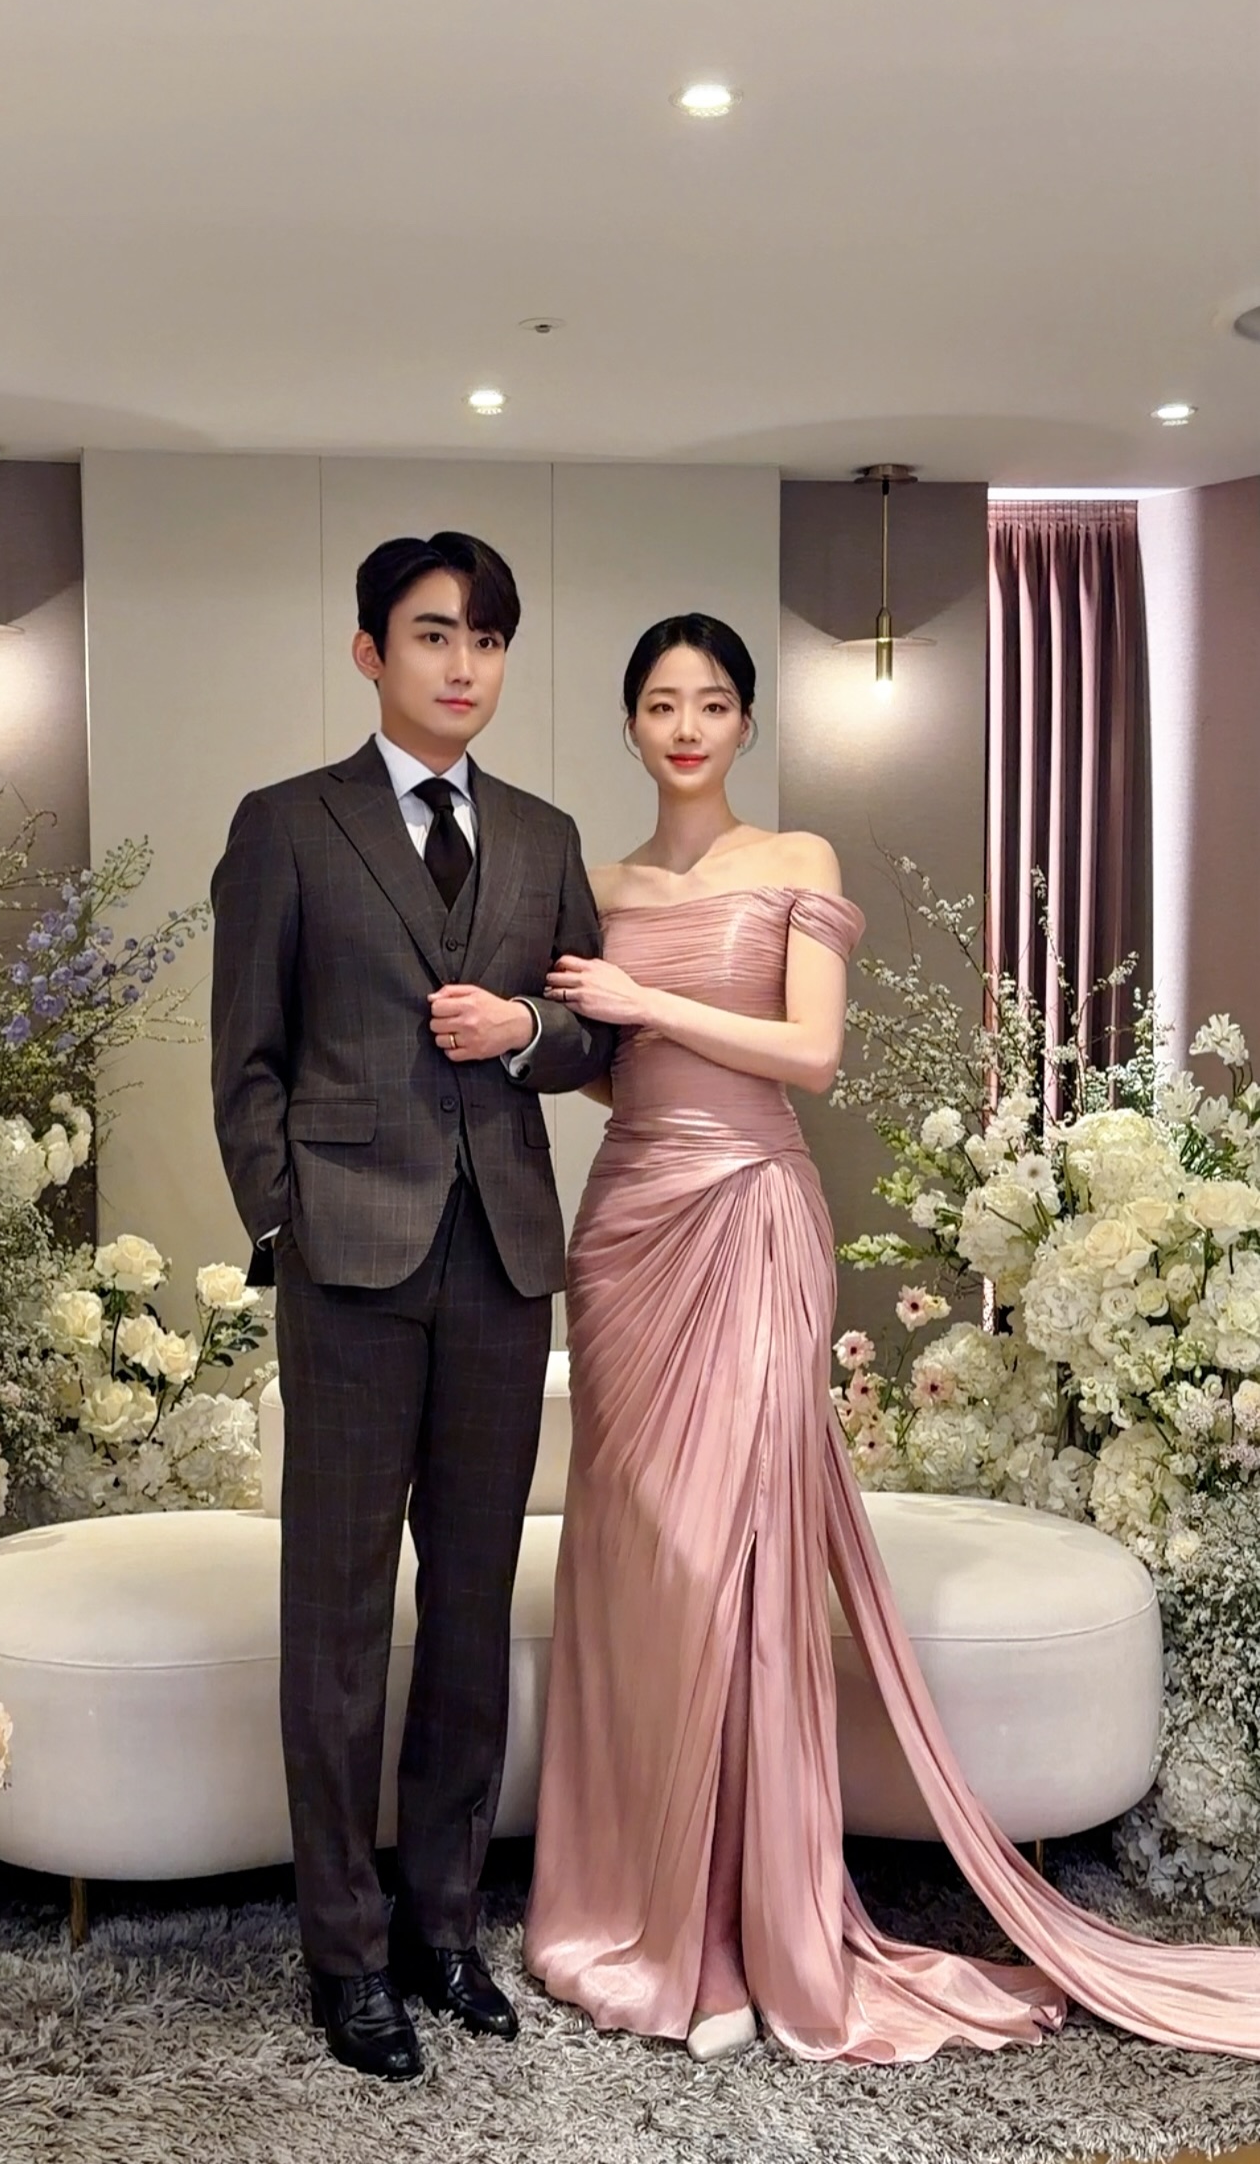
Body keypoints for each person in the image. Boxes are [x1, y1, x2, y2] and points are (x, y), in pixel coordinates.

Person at [523, 610, 1260, 2064]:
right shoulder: (594, 885)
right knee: (639, 1560)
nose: (687, 726)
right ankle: (643, 1912)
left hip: (753, 1211)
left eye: (713, 702)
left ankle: (748, 1929)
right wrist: (600, 1030)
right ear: (630, 723)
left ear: (746, 724)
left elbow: (810, 1054)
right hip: (627, 1228)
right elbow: (611, 1070)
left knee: (739, 1556)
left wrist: (645, 999)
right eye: (661, 702)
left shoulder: (798, 860)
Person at [210, 531, 613, 2080]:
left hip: (502, 1261)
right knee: (335, 1618)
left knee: (470, 1608)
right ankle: (344, 1949)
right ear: (371, 651)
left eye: (488, 640)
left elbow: (594, 1035)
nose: (464, 664)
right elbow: (246, 1059)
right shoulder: (288, 826)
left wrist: (525, 1031)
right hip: (350, 1267)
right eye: (435, 634)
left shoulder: (544, 835)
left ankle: (446, 1926)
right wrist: (285, 1221)